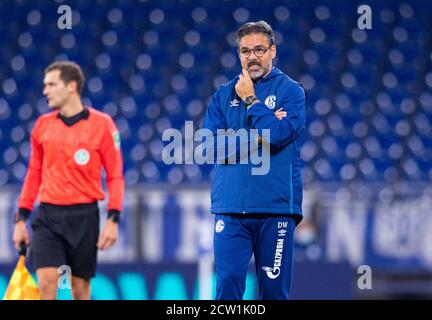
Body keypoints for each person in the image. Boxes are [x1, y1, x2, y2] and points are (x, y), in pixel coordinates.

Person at [203, 21, 306, 300]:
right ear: (239, 55)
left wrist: (251, 101)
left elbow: (280, 134)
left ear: (273, 51)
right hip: (231, 209)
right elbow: (208, 148)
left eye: (259, 49)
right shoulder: (223, 95)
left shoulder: (291, 92)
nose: (252, 57)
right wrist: (259, 136)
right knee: (227, 285)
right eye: (245, 51)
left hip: (276, 210)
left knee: (273, 292)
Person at [12, 61, 125, 300]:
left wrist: (114, 218)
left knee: (80, 290)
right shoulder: (42, 126)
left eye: (52, 84)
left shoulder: (102, 125)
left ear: (72, 86)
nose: (45, 91)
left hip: (84, 216)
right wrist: (21, 218)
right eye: (45, 85)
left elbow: (115, 175)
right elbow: (34, 173)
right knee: (46, 281)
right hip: (48, 216)